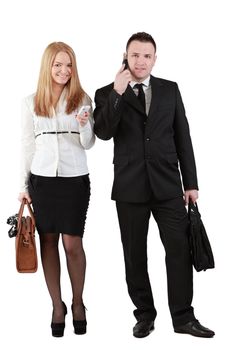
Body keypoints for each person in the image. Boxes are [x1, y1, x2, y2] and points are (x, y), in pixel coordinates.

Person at [93, 32, 214, 338]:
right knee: (134, 256)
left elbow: (182, 137)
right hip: (130, 187)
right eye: (135, 55)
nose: (141, 61)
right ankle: (145, 315)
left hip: (168, 185)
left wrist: (191, 183)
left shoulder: (170, 90)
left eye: (147, 56)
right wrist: (119, 93)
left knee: (179, 250)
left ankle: (183, 317)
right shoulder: (107, 93)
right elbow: (104, 132)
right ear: (125, 56)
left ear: (154, 59)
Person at [18, 42, 95, 337]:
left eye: (69, 65)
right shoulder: (30, 101)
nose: (64, 71)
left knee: (72, 244)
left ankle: (77, 302)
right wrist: (22, 186)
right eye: (58, 65)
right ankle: (57, 306)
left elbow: (88, 143)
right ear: (47, 67)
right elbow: (26, 145)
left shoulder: (82, 98)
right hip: (42, 181)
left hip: (75, 179)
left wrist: (84, 124)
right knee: (48, 242)